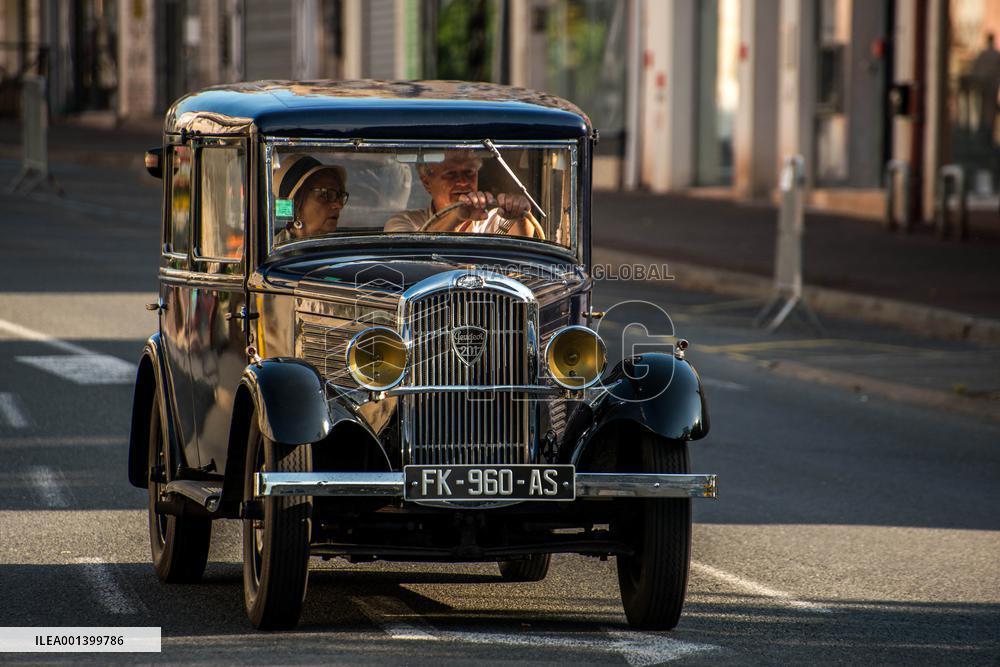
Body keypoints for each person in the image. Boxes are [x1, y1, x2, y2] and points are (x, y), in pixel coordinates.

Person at [384, 149, 535, 236]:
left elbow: (524, 250)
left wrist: (519, 214)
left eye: (469, 173)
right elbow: (411, 256)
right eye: (450, 174)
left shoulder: (494, 219)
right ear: (427, 182)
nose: (463, 182)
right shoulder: (404, 223)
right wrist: (456, 216)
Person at [274, 155, 349, 244]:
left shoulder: (339, 247)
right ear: (297, 206)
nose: (339, 205)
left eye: (339, 196)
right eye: (326, 195)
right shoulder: (279, 250)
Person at [970, 32, 1000, 141]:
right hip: (991, 84)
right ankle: (987, 129)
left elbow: (976, 68)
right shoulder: (995, 54)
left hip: (986, 83)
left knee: (985, 107)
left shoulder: (984, 54)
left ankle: (985, 129)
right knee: (989, 107)